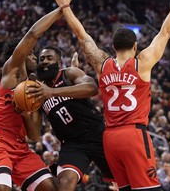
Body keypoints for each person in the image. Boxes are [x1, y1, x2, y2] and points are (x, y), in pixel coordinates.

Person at [49, 0, 170, 190]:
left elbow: (81, 35)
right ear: (135, 47)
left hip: (110, 138)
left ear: (113, 47)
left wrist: (65, 7)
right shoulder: (141, 63)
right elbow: (165, 32)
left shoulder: (101, 63)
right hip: (133, 135)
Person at [0, 7, 65, 191]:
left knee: (50, 187)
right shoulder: (12, 72)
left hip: (20, 146)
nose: (35, 57)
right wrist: (61, 10)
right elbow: (32, 34)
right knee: (1, 189)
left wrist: (26, 115)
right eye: (32, 54)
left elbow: (33, 136)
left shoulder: (36, 90)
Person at [26, 46, 115, 191]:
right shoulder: (39, 93)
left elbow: (92, 88)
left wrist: (53, 92)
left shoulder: (68, 73)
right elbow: (34, 135)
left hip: (98, 135)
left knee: (122, 181)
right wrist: (26, 113)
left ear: (59, 63)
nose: (45, 62)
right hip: (73, 144)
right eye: (42, 59)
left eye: (49, 58)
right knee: (65, 183)